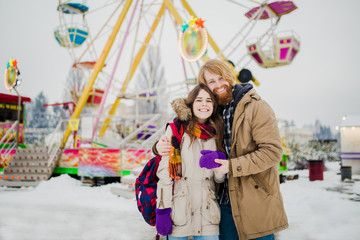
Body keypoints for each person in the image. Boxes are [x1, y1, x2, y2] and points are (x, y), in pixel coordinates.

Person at [155, 59, 288, 240]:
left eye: (221, 78)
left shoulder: (256, 107)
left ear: (230, 76)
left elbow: (272, 152)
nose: (218, 85)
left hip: (254, 201)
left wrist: (230, 166)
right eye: (211, 82)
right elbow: (180, 130)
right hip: (223, 203)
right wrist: (157, 146)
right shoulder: (210, 112)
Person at [154, 84, 226, 240]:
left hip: (208, 213)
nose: (204, 104)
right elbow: (165, 175)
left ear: (213, 105)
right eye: (199, 100)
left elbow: (218, 180)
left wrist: (220, 168)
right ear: (191, 104)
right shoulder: (176, 130)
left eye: (209, 101)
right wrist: (163, 211)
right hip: (178, 211)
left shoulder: (218, 132)